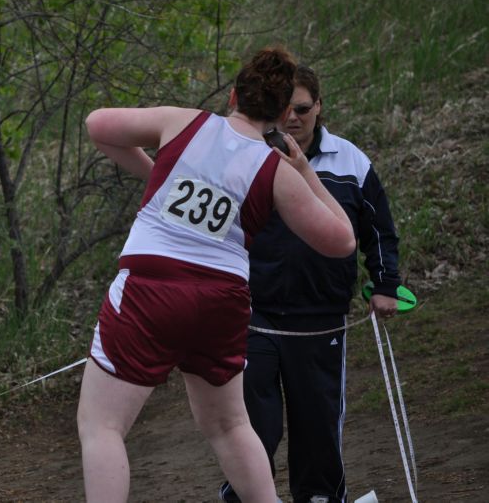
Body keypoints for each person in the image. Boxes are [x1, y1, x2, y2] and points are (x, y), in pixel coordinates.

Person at [77, 46, 356, 503]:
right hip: (221, 301)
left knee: (102, 425)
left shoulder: (185, 122)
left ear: (232, 96)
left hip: (152, 286)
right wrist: (304, 170)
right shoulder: (276, 171)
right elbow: (342, 239)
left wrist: (157, 176)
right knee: (229, 426)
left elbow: (97, 125)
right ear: (284, 113)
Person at [218, 66, 402, 503]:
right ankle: (243, 496)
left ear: (318, 106)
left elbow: (379, 229)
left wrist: (386, 284)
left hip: (321, 321)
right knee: (252, 423)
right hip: (253, 315)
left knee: (317, 422)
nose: (294, 118)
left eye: (302, 109)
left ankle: (319, 497)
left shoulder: (350, 161)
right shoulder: (246, 156)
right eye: (285, 110)